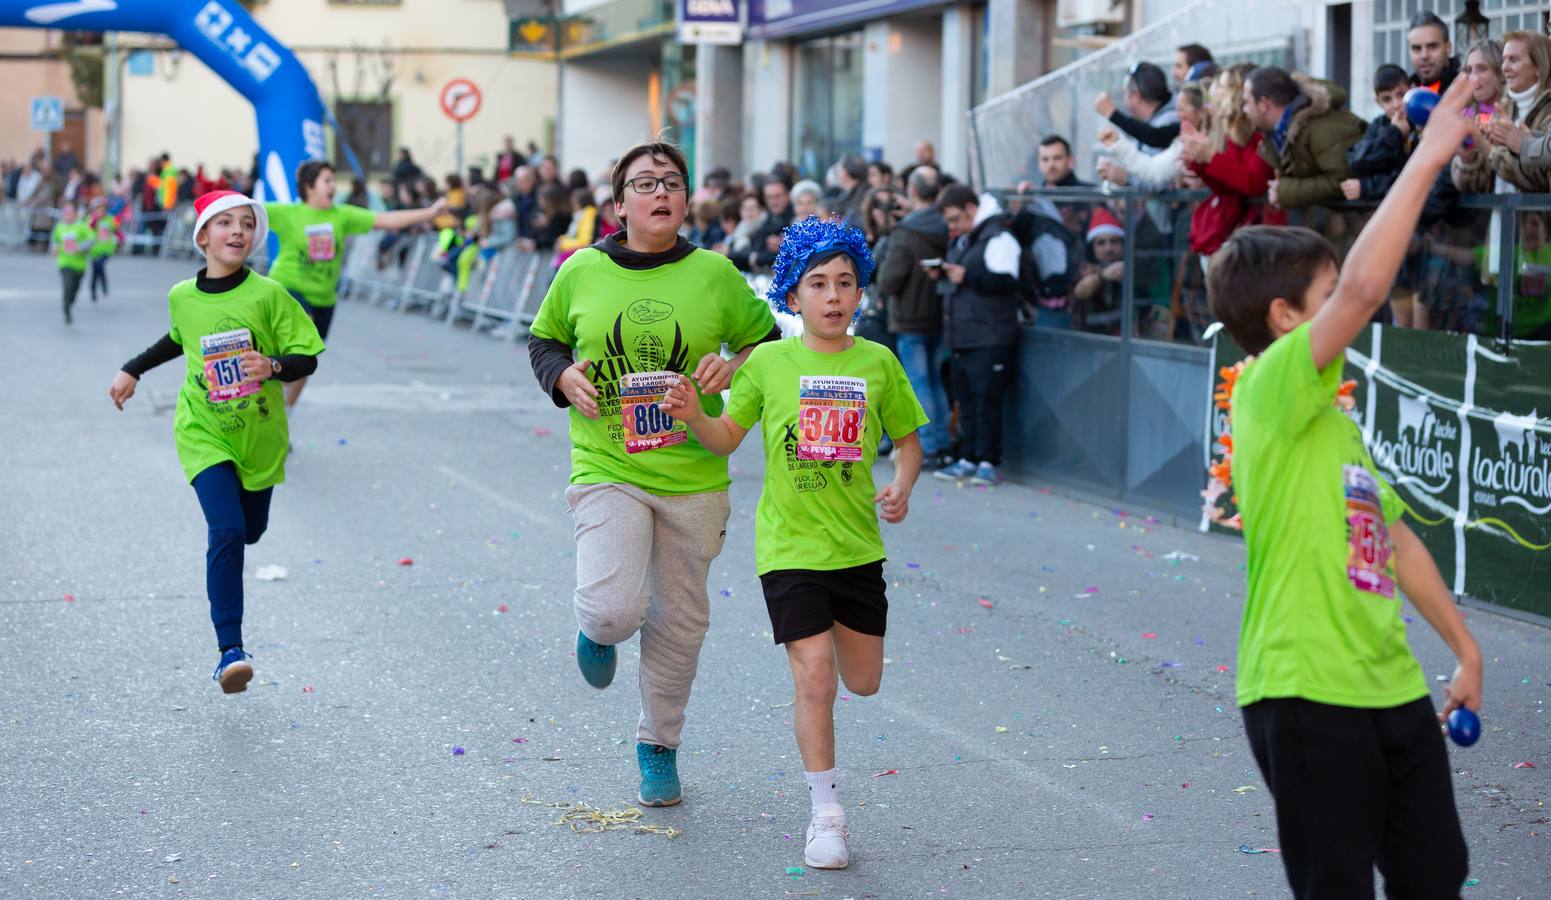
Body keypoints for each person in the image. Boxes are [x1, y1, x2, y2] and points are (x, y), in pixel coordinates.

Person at [1204, 75, 1483, 899]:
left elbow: (1393, 541)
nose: (1350, 310)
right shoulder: (1267, 386)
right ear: (1289, 319)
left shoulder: (1334, 422)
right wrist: (1426, 157)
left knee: (1436, 875)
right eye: (1327, 300)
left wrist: (1464, 651)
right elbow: (1367, 287)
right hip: (1301, 691)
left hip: (1390, 684)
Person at [659, 216, 925, 870]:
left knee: (860, 681)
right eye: (817, 284)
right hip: (788, 550)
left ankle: (832, 668)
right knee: (815, 677)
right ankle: (825, 815)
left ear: (861, 292)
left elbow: (910, 442)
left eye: (844, 283)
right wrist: (696, 415)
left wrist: (901, 483)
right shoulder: (772, 363)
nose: (832, 296)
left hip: (857, 549)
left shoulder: (879, 363)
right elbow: (726, 438)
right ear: (792, 296)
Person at [525, 138, 779, 808]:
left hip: (694, 471)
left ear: (686, 199)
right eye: (644, 183)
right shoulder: (581, 269)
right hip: (608, 463)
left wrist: (738, 364)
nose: (659, 192)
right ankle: (598, 630)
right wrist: (562, 375)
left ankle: (658, 745)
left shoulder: (715, 274)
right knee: (614, 611)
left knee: (680, 625)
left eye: (671, 181)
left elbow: (766, 338)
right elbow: (543, 339)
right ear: (618, 204)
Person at [107, 191, 325, 693]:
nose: (237, 231)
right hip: (203, 431)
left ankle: (234, 602)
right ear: (202, 236)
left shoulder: (269, 295)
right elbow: (178, 337)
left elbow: (307, 358)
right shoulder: (182, 294)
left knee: (250, 531)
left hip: (259, 437)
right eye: (224, 222)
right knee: (225, 530)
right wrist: (132, 369)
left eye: (246, 224)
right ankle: (230, 650)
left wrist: (272, 366)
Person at [265, 160, 445, 410]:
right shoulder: (288, 213)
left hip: (325, 298)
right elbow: (244, 210)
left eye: (333, 181)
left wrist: (430, 213)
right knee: (303, 334)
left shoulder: (341, 215)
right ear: (309, 187)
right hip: (289, 289)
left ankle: (285, 415)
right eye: (326, 181)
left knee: (305, 362)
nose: (332, 187)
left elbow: (386, 220)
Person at [930, 185, 1021, 486]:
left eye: (955, 219)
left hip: (990, 335)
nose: (952, 227)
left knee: (986, 402)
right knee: (966, 401)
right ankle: (968, 456)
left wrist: (966, 276)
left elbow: (1007, 280)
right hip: (964, 334)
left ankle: (987, 460)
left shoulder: (999, 237)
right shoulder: (968, 238)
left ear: (971, 209)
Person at [878, 167, 953, 467]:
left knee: (920, 383)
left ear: (911, 191)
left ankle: (931, 446)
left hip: (910, 317)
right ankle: (943, 442)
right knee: (935, 381)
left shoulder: (906, 231)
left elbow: (889, 279)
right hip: (940, 313)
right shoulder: (946, 226)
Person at [1244, 66, 1365, 209]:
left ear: (1264, 104)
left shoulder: (1321, 127)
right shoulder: (1279, 133)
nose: (1244, 110)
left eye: (1247, 102)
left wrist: (1285, 192)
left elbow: (1344, 180)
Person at [1095, 62, 1179, 152]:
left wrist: (1111, 112)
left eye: (1125, 93)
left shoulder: (1168, 120)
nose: (1124, 99)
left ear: (1136, 95)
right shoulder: (1152, 122)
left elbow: (1148, 162)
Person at [50, 201, 93, 325]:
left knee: (74, 288)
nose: (67, 215)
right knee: (67, 286)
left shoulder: (81, 226)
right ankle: (66, 310)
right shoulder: (60, 227)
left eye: (70, 212)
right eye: (65, 212)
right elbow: (55, 239)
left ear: (75, 213)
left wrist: (81, 247)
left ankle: (70, 301)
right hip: (64, 262)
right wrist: (54, 248)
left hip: (79, 264)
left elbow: (91, 238)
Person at [1408, 11, 1461, 94]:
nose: (1424, 56)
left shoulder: (1469, 86)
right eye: (1417, 48)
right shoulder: (1403, 94)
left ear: (1448, 48)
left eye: (1432, 46)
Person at [88, 197, 119, 303]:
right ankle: (93, 291)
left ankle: (104, 285)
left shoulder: (110, 219)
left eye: (102, 209)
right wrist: (95, 219)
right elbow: (89, 228)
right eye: (98, 210)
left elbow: (117, 231)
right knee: (95, 271)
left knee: (100, 265)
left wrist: (120, 242)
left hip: (107, 249)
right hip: (95, 250)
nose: (100, 212)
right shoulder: (92, 219)